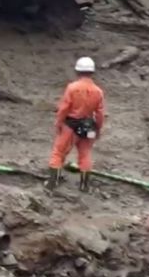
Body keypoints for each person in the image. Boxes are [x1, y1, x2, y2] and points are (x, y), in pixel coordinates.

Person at [45, 56, 105, 192]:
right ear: (92, 72)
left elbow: (64, 108)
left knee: (58, 153)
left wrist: (59, 123)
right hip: (88, 126)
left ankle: (52, 183)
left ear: (77, 71)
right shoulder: (98, 91)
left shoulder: (72, 88)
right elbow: (100, 114)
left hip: (70, 125)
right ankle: (84, 186)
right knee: (86, 154)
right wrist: (98, 129)